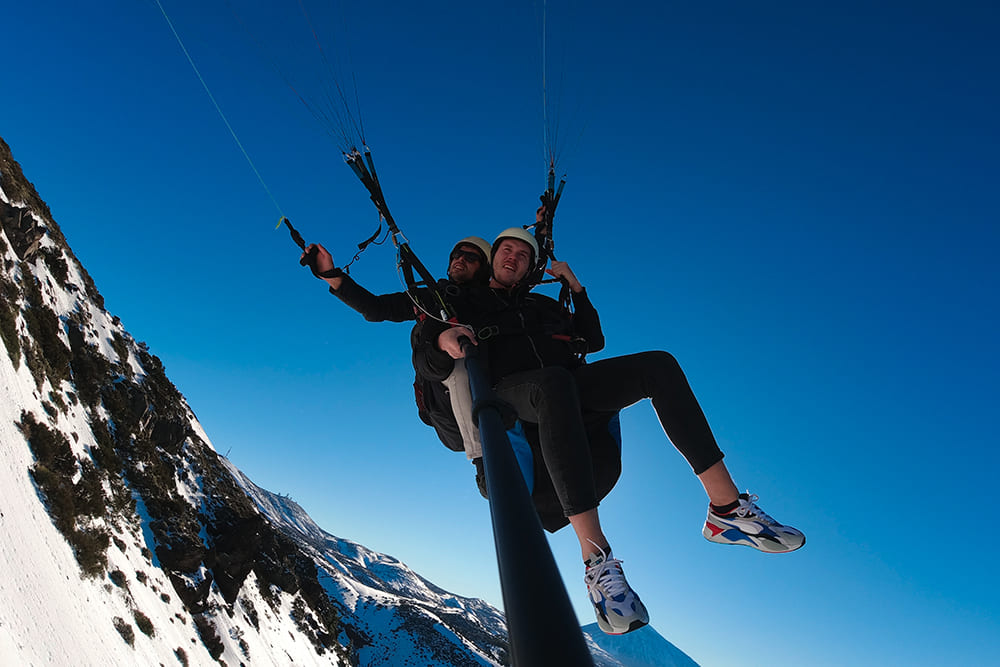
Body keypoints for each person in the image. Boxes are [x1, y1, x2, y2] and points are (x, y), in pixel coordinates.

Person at [414, 218, 805, 635]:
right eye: (506, 251)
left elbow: (593, 340)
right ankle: (597, 562)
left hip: (564, 388)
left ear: (531, 269)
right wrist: (442, 341)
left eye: (524, 254)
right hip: (513, 396)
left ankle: (725, 510)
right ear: (493, 261)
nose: (514, 257)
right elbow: (428, 358)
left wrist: (576, 290)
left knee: (658, 365)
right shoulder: (466, 301)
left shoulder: (543, 306)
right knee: (553, 383)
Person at [301, 236, 492, 452]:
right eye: (457, 254)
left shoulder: (493, 303)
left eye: (471, 257)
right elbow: (376, 308)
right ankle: (483, 464)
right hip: (445, 406)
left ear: (484, 269)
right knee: (459, 362)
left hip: (492, 400)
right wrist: (330, 274)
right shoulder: (427, 298)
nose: (460, 259)